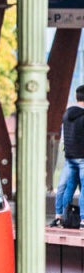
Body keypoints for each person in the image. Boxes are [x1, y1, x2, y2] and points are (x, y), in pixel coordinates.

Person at [53, 85, 84, 227]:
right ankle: (83, 218)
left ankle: (62, 216)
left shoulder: (66, 115)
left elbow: (64, 137)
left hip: (70, 157)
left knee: (67, 187)